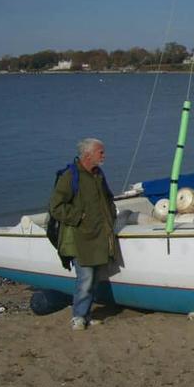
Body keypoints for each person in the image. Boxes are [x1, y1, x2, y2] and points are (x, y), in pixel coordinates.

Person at [49, 138, 117, 330]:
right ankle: (78, 317)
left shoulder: (98, 175)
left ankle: (86, 315)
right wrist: (79, 216)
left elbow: (107, 197)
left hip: (99, 236)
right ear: (88, 154)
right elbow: (55, 206)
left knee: (94, 280)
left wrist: (111, 216)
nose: (104, 155)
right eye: (100, 152)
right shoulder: (71, 176)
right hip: (80, 239)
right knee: (85, 280)